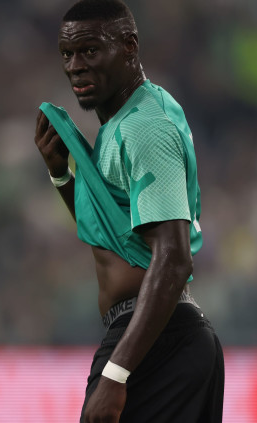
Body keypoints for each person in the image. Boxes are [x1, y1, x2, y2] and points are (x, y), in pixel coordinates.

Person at [33, 1, 224, 421]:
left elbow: (173, 259)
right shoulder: (122, 123)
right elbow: (114, 236)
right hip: (159, 336)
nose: (75, 66)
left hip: (158, 341)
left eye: (90, 50)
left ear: (129, 46)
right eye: (67, 54)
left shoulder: (145, 129)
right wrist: (62, 176)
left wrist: (116, 374)